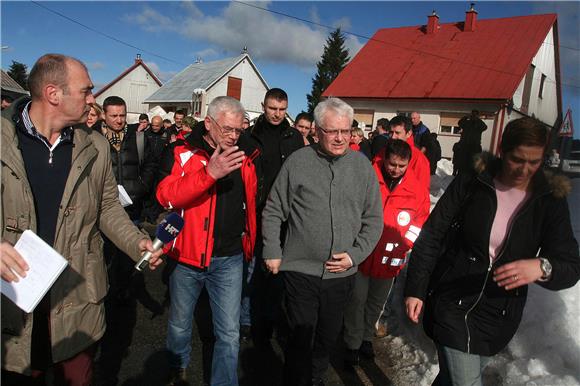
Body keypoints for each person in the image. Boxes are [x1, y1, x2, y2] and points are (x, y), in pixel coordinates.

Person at [0, 53, 162, 385]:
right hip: (13, 301)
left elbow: (108, 208)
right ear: (53, 94)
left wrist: (137, 241)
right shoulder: (3, 140)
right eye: (86, 91)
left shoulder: (96, 147)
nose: (93, 100)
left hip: (77, 299)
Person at [404, 117, 580, 386]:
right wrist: (415, 288)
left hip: (499, 313)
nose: (525, 170)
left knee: (451, 380)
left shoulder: (549, 200)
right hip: (452, 299)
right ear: (502, 150)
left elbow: (570, 265)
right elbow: (432, 235)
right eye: (517, 160)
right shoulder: (473, 182)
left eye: (534, 162)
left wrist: (542, 266)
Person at [261, 97, 383, 386]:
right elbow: (275, 208)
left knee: (327, 338)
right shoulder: (298, 162)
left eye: (345, 130)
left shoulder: (362, 167)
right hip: (300, 270)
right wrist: (272, 250)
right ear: (316, 131)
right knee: (301, 337)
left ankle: (314, 379)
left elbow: (374, 220)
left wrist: (355, 255)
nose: (340, 138)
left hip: (341, 275)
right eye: (332, 131)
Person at [156, 96, 262, 386]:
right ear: (208, 123)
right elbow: (166, 196)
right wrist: (209, 174)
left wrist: (250, 243)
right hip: (187, 257)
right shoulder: (181, 151)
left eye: (238, 130)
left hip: (230, 257)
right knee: (179, 324)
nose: (233, 136)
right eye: (226, 129)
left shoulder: (246, 156)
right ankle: (177, 368)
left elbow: (251, 204)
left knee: (228, 333)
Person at [343, 139, 430, 366]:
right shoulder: (367, 177)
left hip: (390, 257)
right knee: (356, 299)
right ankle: (351, 343)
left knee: (376, 303)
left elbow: (419, 222)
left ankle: (365, 338)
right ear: (385, 159)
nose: (396, 170)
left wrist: (405, 244)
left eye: (402, 166)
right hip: (361, 253)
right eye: (392, 164)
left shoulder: (417, 189)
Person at [247, 88, 303, 348]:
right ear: (263, 106)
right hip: (256, 212)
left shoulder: (294, 138)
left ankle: (272, 320)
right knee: (254, 270)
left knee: (280, 271)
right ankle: (250, 320)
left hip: (287, 215)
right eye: (272, 108)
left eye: (282, 109)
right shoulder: (250, 136)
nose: (277, 114)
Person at [99, 96, 157, 302]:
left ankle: (121, 294)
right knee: (103, 255)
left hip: (132, 208)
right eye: (113, 115)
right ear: (103, 115)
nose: (119, 120)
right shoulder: (93, 138)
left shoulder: (138, 138)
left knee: (127, 255)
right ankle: (104, 293)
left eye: (122, 115)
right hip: (103, 209)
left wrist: (141, 187)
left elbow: (151, 165)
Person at [388, 115, 431, 191]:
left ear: (408, 133)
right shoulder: (383, 152)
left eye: (397, 133)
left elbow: (422, 192)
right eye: (391, 132)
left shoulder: (419, 159)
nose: (393, 137)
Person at [454, 110, 488, 175]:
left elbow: (485, 127)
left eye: (475, 115)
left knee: (473, 163)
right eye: (473, 114)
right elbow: (460, 123)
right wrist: (466, 117)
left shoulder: (479, 124)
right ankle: (461, 174)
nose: (473, 116)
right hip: (465, 146)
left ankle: (471, 175)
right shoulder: (467, 122)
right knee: (462, 163)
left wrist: (478, 119)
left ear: (477, 115)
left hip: (475, 146)